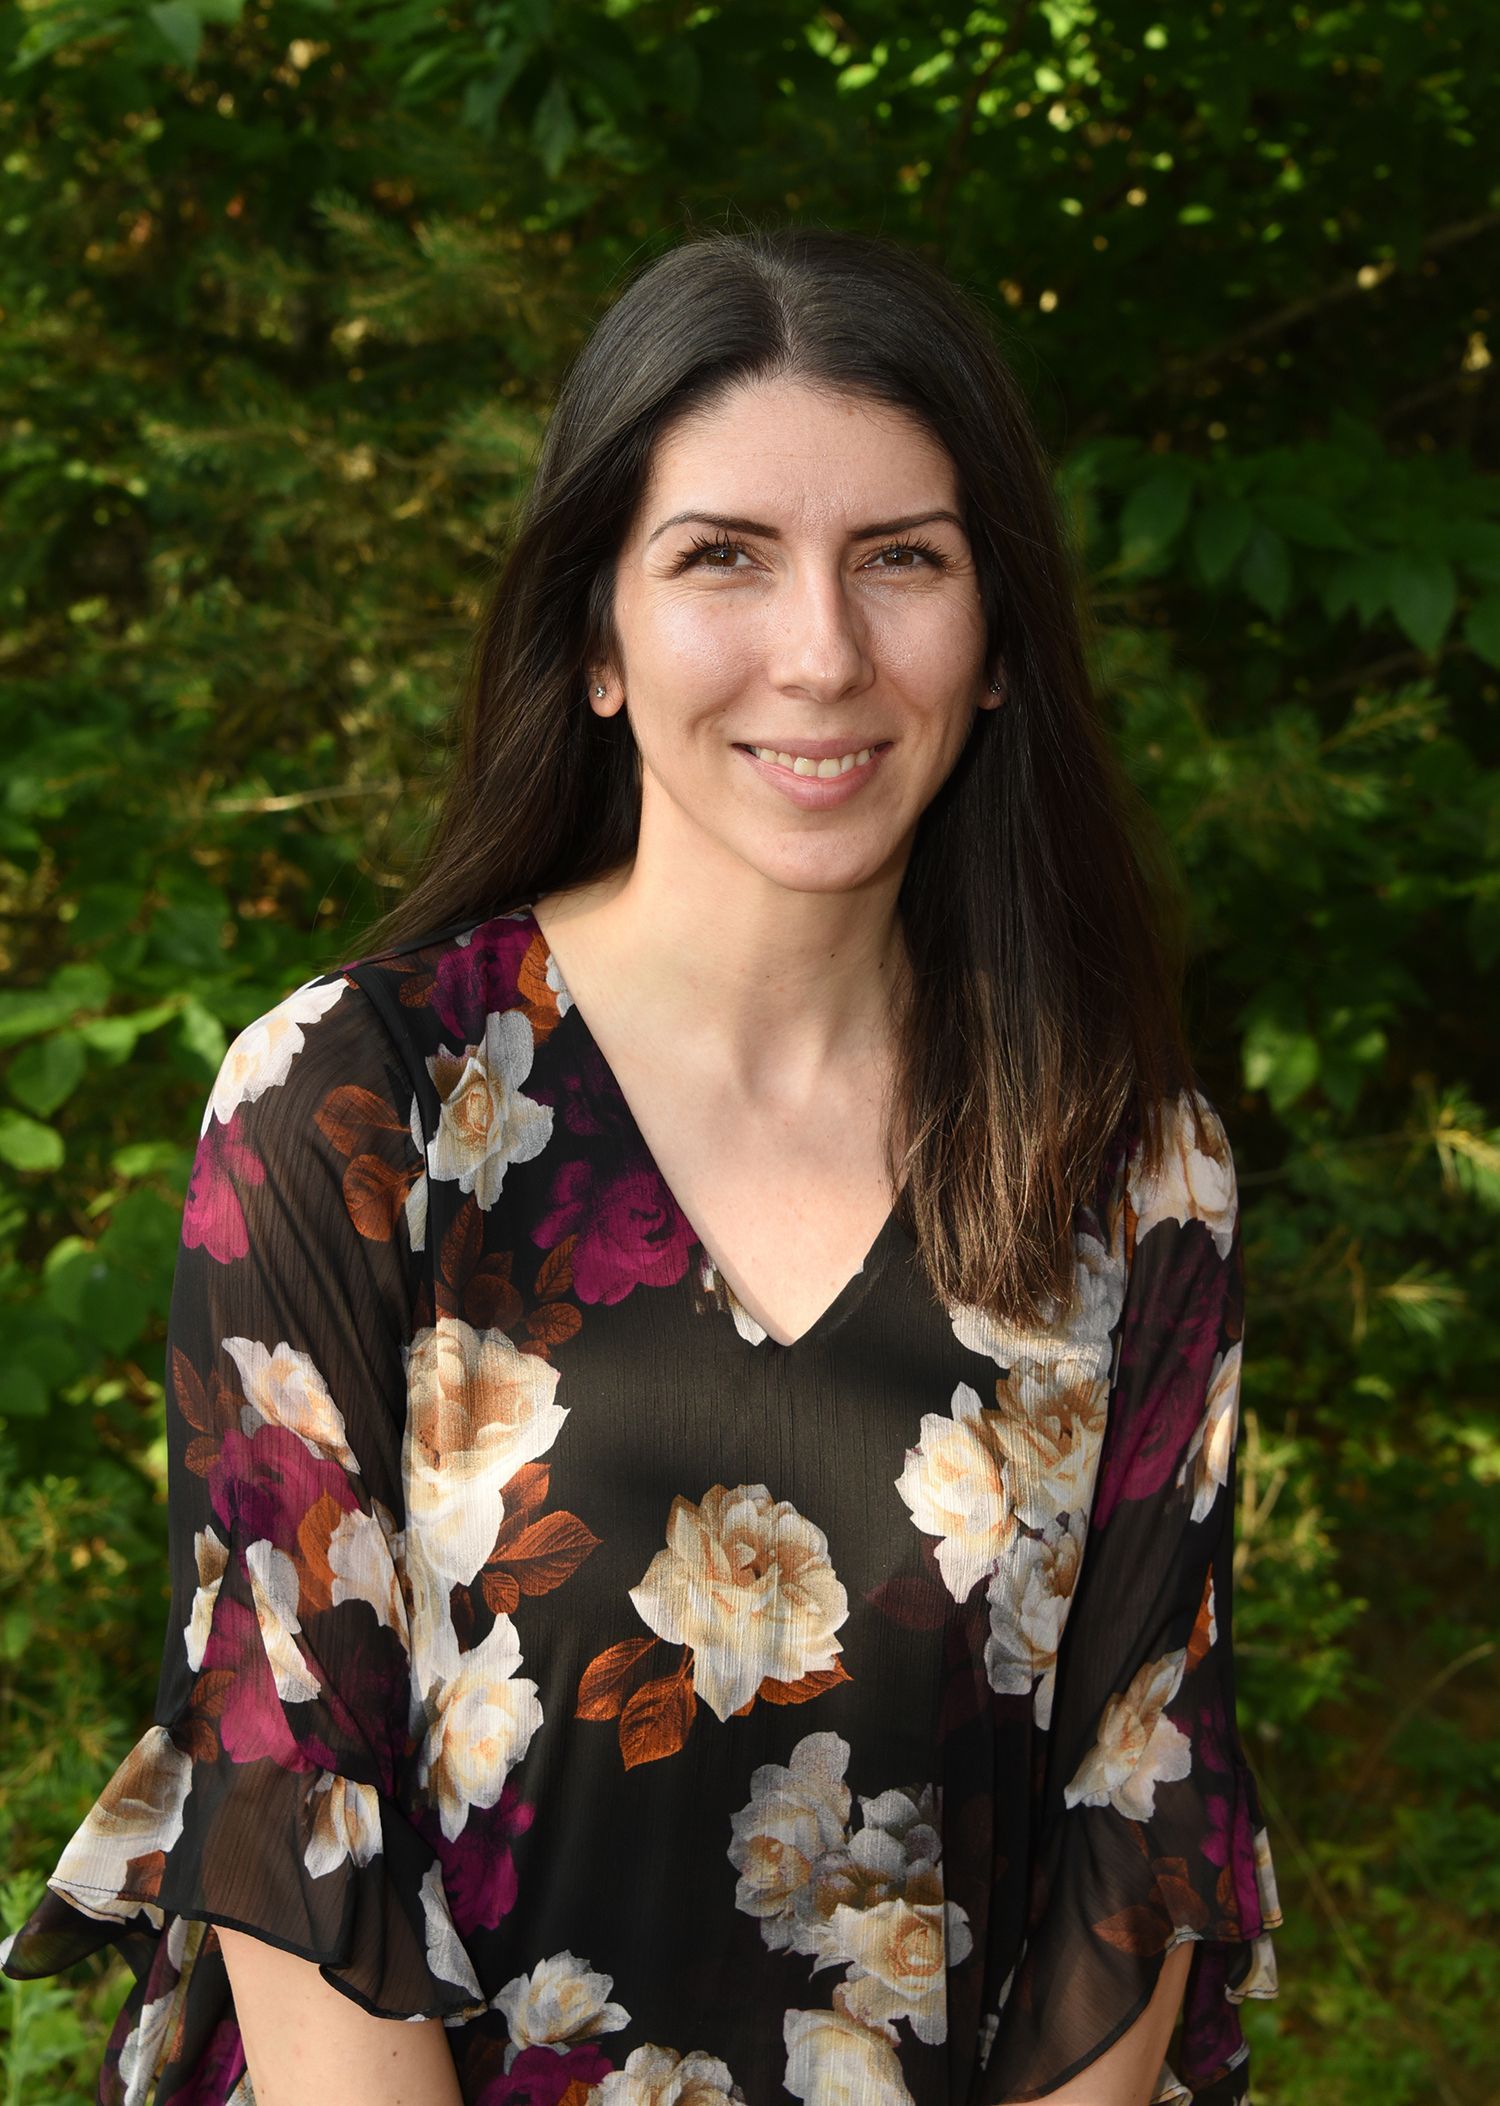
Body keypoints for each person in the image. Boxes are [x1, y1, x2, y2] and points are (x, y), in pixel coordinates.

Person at [0, 224, 1282, 2106]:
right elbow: (294, 1793)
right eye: (722, 557)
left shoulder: (1130, 1170)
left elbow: (1134, 1817)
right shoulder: (355, 1108)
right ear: (596, 637)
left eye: (903, 559)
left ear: (999, 638)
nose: (822, 652)